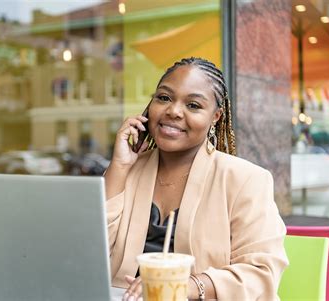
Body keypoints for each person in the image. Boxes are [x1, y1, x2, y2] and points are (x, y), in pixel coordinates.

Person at [104, 57, 288, 300]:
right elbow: (85, 253)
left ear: (216, 117)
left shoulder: (246, 179)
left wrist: (185, 286)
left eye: (193, 105)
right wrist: (118, 167)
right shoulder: (128, 170)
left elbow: (261, 273)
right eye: (164, 98)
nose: (173, 111)